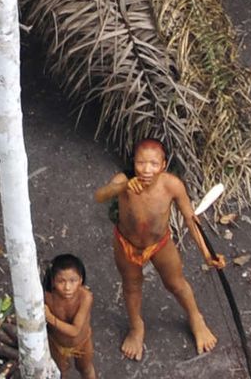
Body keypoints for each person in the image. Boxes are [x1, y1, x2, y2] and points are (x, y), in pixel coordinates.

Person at [94, 138, 225, 361]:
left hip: (160, 244)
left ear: (163, 165)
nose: (146, 170)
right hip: (127, 245)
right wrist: (123, 186)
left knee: (176, 283)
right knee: (131, 286)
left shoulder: (172, 185)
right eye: (141, 163)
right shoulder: (124, 181)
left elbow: (191, 220)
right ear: (133, 163)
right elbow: (101, 195)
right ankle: (136, 327)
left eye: (154, 164)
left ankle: (196, 318)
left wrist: (206, 253)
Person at [43, 254, 96, 378]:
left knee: (86, 368)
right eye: (61, 281)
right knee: (60, 371)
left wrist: (50, 317)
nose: (67, 287)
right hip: (57, 344)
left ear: (81, 280)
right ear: (53, 281)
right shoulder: (47, 297)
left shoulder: (85, 297)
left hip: (82, 342)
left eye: (73, 281)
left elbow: (75, 331)